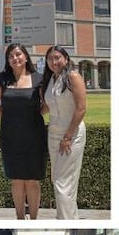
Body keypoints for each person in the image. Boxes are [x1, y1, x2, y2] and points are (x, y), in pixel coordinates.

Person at [0, 43, 47, 219]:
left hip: (35, 135)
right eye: (11, 56)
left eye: (18, 54)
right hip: (10, 136)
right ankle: (20, 218)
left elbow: (46, 105)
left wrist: (33, 116)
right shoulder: (1, 79)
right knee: (16, 180)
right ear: (8, 60)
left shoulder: (38, 79)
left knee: (32, 180)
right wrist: (9, 118)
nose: (15, 58)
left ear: (26, 57)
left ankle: (34, 219)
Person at [42, 45, 88, 219]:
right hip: (53, 134)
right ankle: (68, 218)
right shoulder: (51, 80)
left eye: (57, 58)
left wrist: (68, 136)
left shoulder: (73, 77)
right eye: (50, 59)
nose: (54, 62)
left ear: (66, 59)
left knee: (63, 184)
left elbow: (81, 109)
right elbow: (47, 107)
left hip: (71, 135)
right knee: (58, 180)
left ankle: (65, 221)